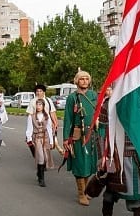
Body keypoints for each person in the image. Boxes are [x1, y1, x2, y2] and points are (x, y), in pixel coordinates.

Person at [97, 94, 140, 216]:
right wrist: (102, 156)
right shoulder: (109, 103)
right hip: (115, 154)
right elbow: (102, 129)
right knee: (112, 189)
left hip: (136, 155)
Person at [63, 70, 99, 206]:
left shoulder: (93, 95)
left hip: (92, 134)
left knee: (89, 164)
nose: (84, 81)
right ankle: (81, 193)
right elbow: (68, 119)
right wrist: (66, 138)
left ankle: (85, 190)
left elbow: (98, 113)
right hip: (78, 135)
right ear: (77, 81)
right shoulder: (72, 98)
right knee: (80, 164)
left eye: (86, 79)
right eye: (81, 79)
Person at [26, 84, 59, 169]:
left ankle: (44, 161)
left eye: (40, 91)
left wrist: (55, 122)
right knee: (38, 147)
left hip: (47, 124)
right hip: (36, 127)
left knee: (47, 145)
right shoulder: (33, 102)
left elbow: (52, 112)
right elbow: (30, 114)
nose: (39, 93)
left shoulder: (48, 100)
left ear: (44, 92)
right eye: (37, 91)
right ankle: (41, 163)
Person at [26, 99, 55, 187]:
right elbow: (29, 128)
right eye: (37, 104)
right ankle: (41, 179)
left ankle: (39, 172)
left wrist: (51, 141)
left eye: (40, 105)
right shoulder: (31, 116)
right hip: (37, 139)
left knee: (46, 158)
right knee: (41, 157)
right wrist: (29, 139)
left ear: (43, 106)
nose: (38, 106)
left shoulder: (47, 116)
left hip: (45, 138)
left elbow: (49, 129)